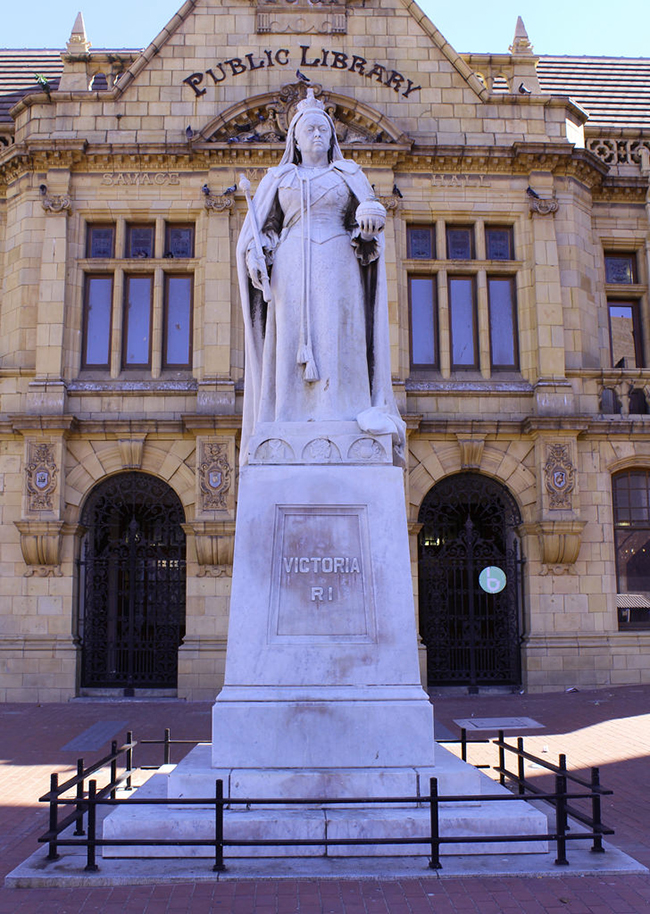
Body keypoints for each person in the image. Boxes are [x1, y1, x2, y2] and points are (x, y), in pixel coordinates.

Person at [236, 88, 405, 465]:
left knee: (339, 334)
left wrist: (368, 224)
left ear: (332, 136)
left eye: (323, 129)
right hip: (292, 264)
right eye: (309, 129)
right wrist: (257, 252)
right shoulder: (278, 178)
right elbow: (261, 230)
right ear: (294, 138)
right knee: (291, 338)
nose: (317, 135)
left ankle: (342, 411)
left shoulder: (349, 175)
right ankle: (288, 415)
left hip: (338, 261)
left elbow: (367, 225)